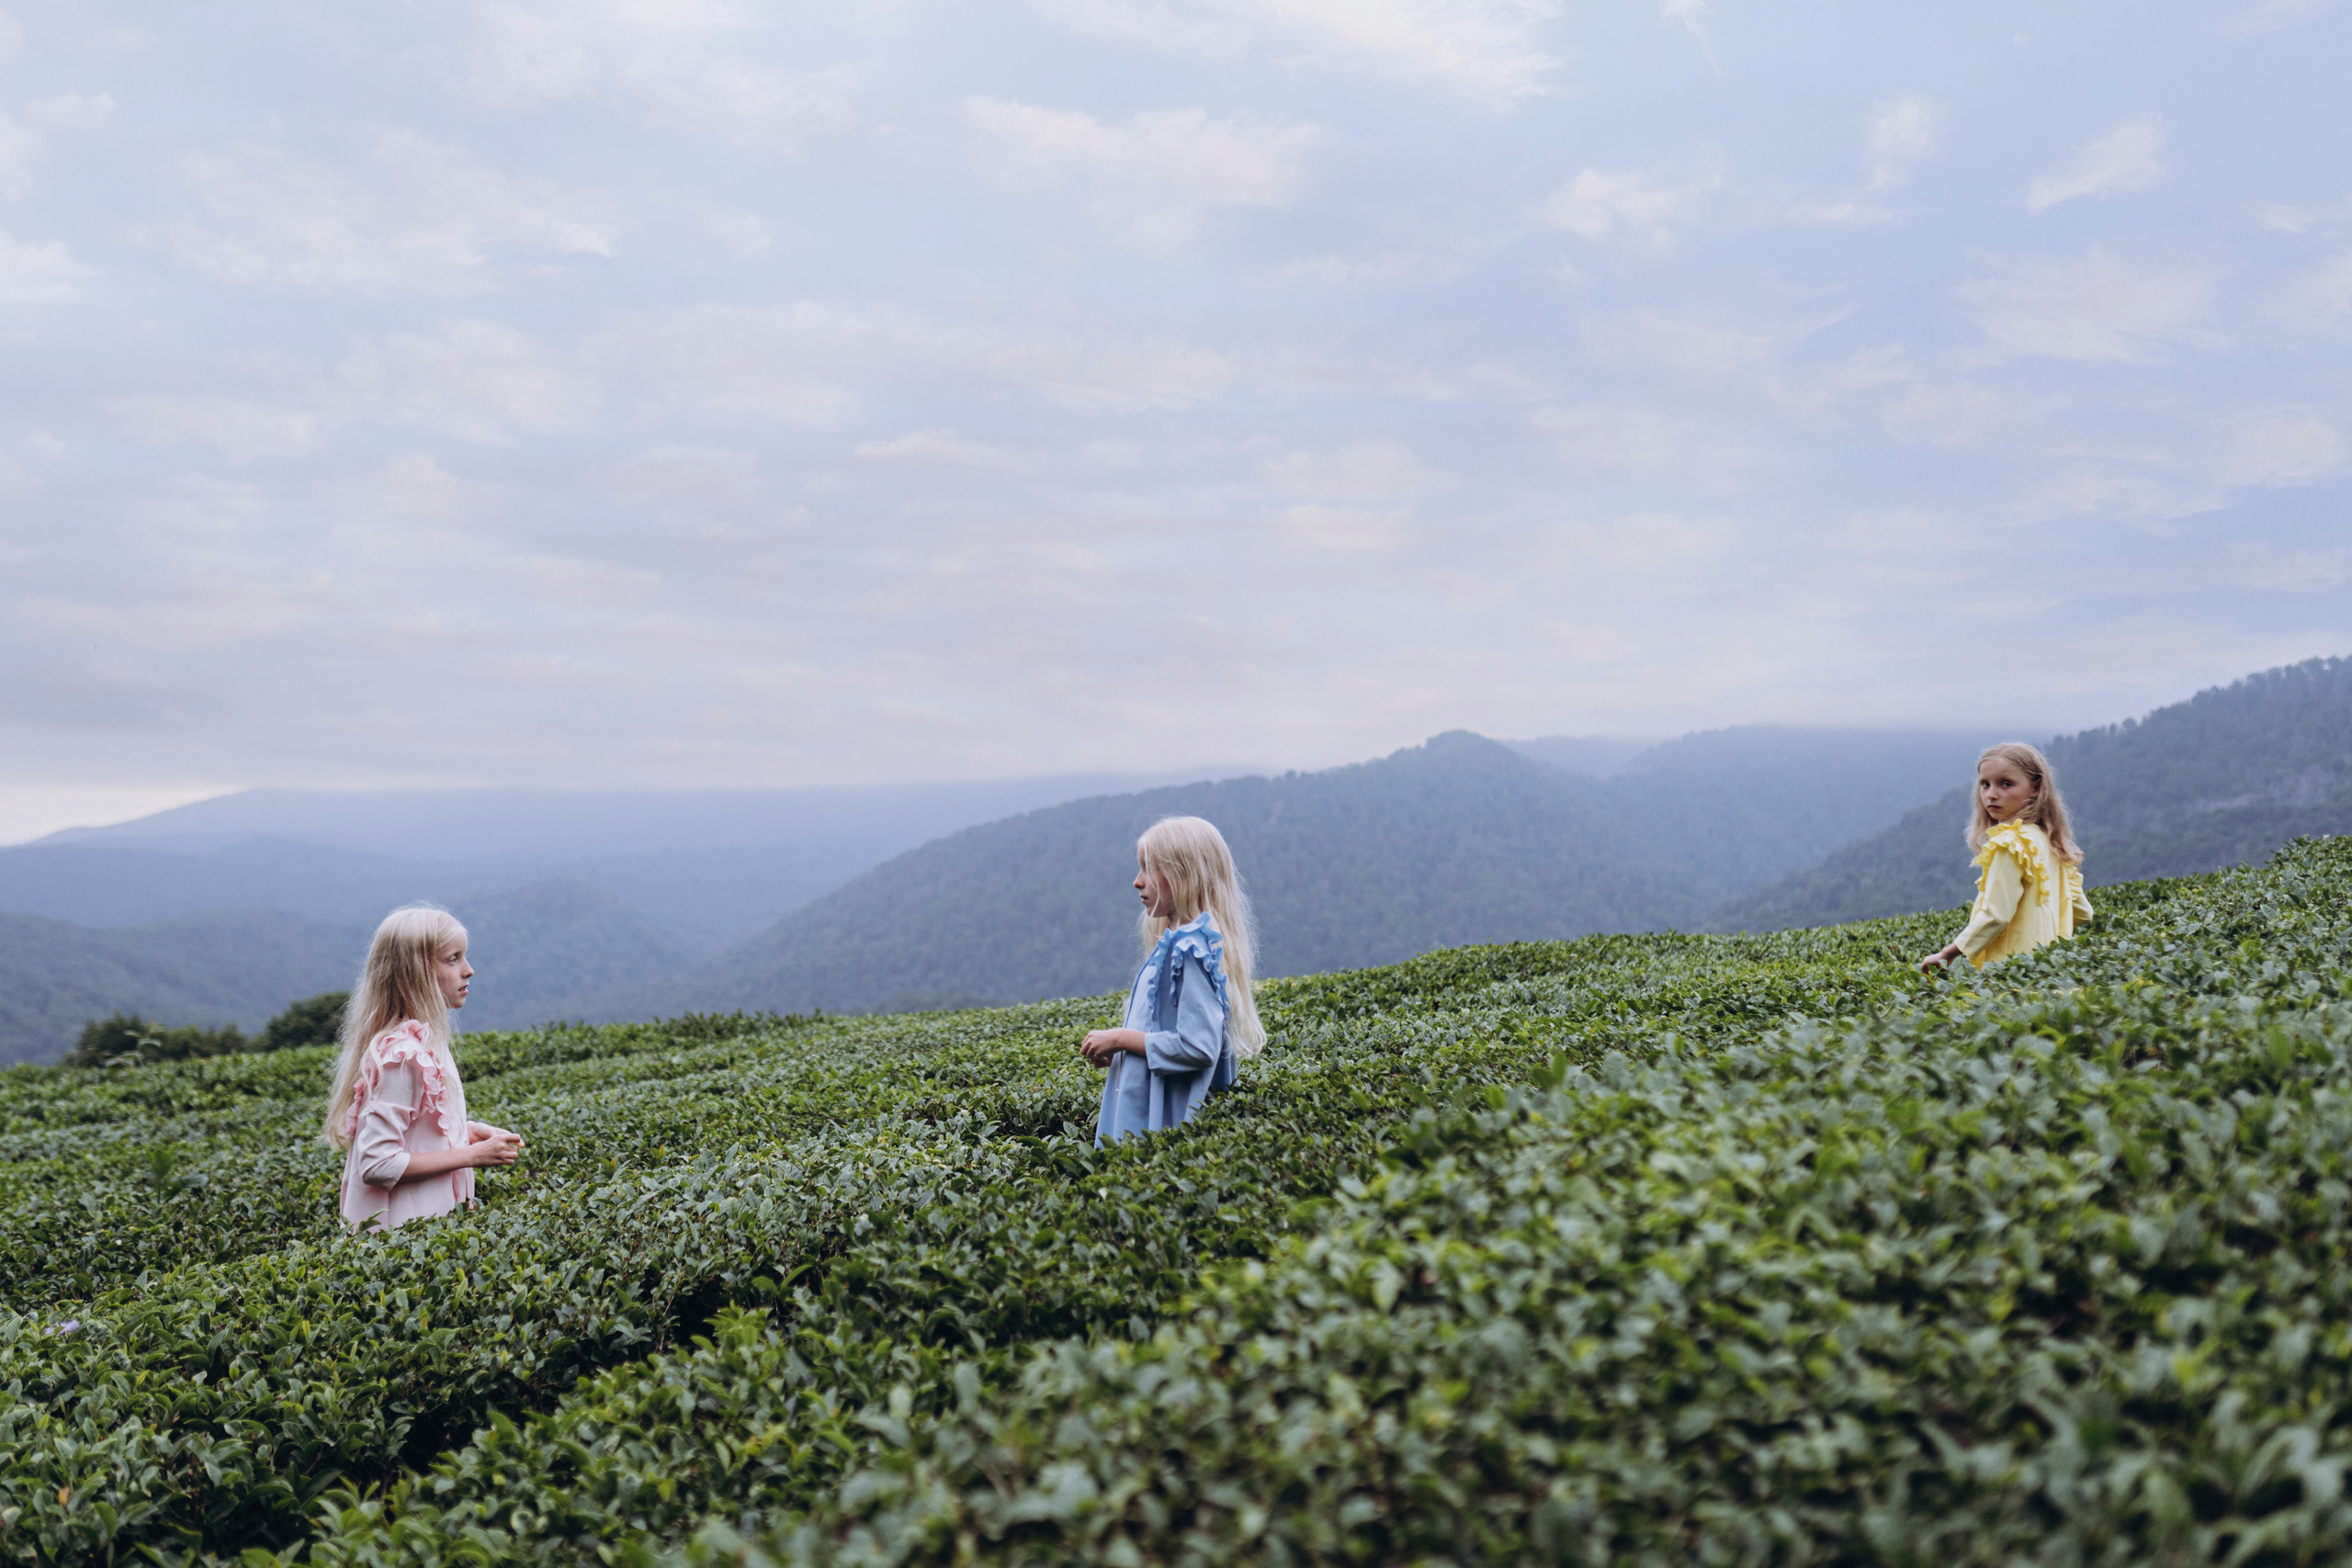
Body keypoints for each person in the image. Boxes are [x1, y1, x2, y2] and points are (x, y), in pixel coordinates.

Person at [322, 904, 523, 1229]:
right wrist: (473, 1156)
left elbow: (414, 1132)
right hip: (399, 1241)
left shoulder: (425, 1044)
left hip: (426, 1235)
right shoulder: (402, 1057)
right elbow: (377, 1163)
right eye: (453, 959)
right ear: (417, 972)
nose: (468, 970)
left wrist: (467, 1134)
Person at [1081, 815, 1266, 1144]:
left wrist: (1121, 1038)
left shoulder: (1188, 950)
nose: (1138, 881)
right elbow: (1165, 1036)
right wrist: (1122, 1053)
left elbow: (1197, 1047)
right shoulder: (1179, 943)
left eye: (1150, 869)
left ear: (1185, 875)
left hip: (1157, 1124)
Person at [1919, 742, 2094, 973]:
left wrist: (1947, 954)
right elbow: (2083, 912)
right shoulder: (2051, 842)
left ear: (2036, 787)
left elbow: (1997, 916)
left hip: (2009, 973)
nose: (1991, 794)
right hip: (2049, 970)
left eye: (2006, 784)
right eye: (1985, 784)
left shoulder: (2010, 844)